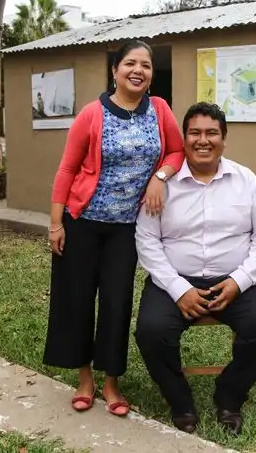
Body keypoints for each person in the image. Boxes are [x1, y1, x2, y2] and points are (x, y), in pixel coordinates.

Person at [44, 40, 184, 417]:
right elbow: (67, 169)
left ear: (151, 74)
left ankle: (111, 382)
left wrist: (160, 177)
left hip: (126, 229)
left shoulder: (159, 110)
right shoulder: (92, 113)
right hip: (82, 223)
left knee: (117, 303)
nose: (138, 70)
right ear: (115, 70)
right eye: (130, 64)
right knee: (77, 301)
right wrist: (56, 223)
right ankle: (85, 378)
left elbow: (176, 151)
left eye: (146, 65)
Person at [133, 102, 256, 436]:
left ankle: (229, 396)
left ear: (223, 139)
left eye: (211, 133)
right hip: (173, 282)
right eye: (195, 133)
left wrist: (239, 282)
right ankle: (180, 401)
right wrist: (178, 289)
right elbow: (146, 240)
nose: (203, 140)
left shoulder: (245, 180)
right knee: (150, 332)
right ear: (184, 139)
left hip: (235, 280)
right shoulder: (162, 185)